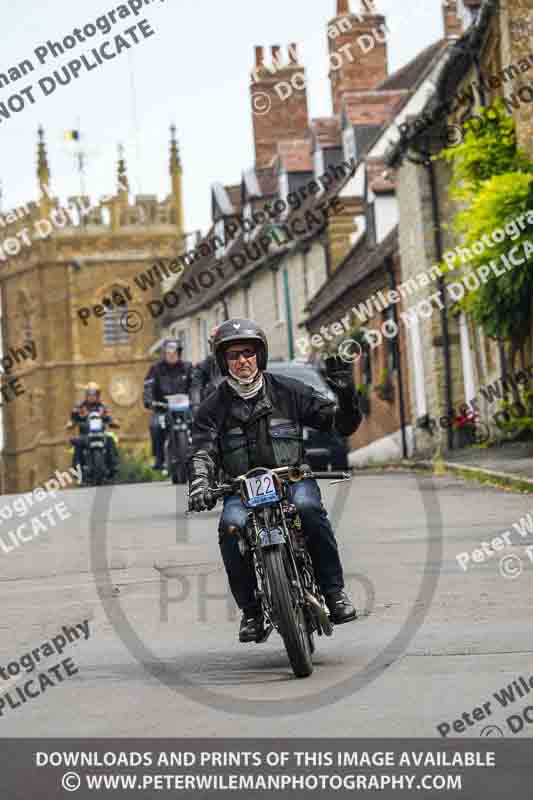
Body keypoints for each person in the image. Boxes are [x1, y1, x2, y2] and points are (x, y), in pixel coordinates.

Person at [187, 318, 362, 643]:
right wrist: (200, 482)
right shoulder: (213, 406)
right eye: (234, 355)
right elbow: (202, 449)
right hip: (240, 487)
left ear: (260, 356)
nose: (242, 361)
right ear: (223, 361)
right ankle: (251, 612)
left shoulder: (288, 391)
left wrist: (348, 397)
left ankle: (334, 594)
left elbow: (338, 425)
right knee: (230, 528)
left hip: (291, 478)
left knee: (309, 510)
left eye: (249, 353)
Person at [143, 339, 193, 470]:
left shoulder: (188, 367)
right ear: (164, 354)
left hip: (186, 408)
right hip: (163, 408)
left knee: (200, 423)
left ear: (179, 353)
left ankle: (203, 455)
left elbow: (195, 385)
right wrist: (149, 400)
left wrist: (197, 399)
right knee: (155, 426)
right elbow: (148, 386)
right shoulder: (155, 369)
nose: (171, 355)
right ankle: (159, 458)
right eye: (168, 353)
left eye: (174, 352)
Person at [68, 382, 120, 477]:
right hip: (85, 435)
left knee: (110, 439)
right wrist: (71, 423)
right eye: (90, 394)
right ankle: (76, 469)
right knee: (77, 442)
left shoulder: (103, 407)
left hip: (101, 434)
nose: (92, 397)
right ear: (86, 395)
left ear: (98, 395)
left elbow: (109, 417)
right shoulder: (80, 406)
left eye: (94, 394)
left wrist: (114, 422)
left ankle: (114, 465)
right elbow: (73, 417)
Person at [190, 325, 224, 416]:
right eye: (211, 341)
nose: (212, 344)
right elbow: (196, 384)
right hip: (215, 408)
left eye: (215, 340)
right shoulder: (209, 361)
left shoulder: (236, 358)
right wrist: (196, 405)